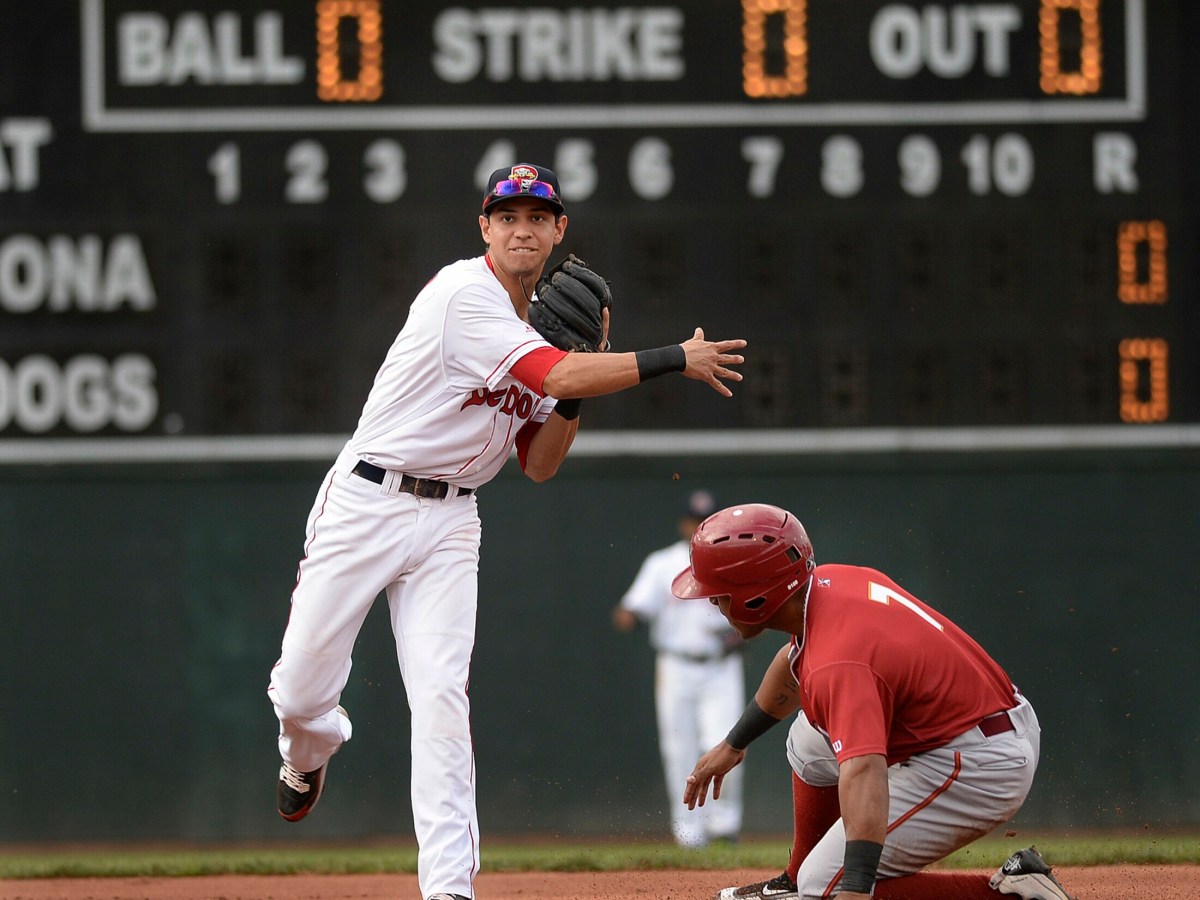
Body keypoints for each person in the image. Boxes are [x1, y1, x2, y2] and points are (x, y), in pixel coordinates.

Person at [266, 163, 747, 900]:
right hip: (368, 499)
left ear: (559, 231)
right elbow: (554, 377)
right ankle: (310, 746)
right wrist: (670, 358)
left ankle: (449, 888)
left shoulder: (543, 334)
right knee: (299, 692)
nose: (523, 229)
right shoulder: (464, 294)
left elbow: (542, 462)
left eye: (538, 218)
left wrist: (581, 376)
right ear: (485, 228)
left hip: (452, 518)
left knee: (441, 698)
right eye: (508, 216)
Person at [671, 503, 1076, 900]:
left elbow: (864, 770)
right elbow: (791, 664)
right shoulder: (825, 584)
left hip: (980, 765)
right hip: (975, 727)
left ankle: (1016, 893)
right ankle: (793, 883)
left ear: (756, 596)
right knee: (807, 738)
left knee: (824, 886)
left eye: (719, 593)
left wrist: (855, 885)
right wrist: (734, 743)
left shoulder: (838, 662)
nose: (712, 602)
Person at [612, 489, 746, 848]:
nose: (699, 526)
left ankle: (724, 826)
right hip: (675, 665)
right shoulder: (662, 563)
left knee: (729, 741)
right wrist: (632, 614)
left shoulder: (735, 561)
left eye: (706, 520)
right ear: (683, 524)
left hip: (721, 666)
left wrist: (742, 632)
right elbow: (631, 609)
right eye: (694, 520)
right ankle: (689, 834)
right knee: (679, 750)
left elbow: (756, 614)